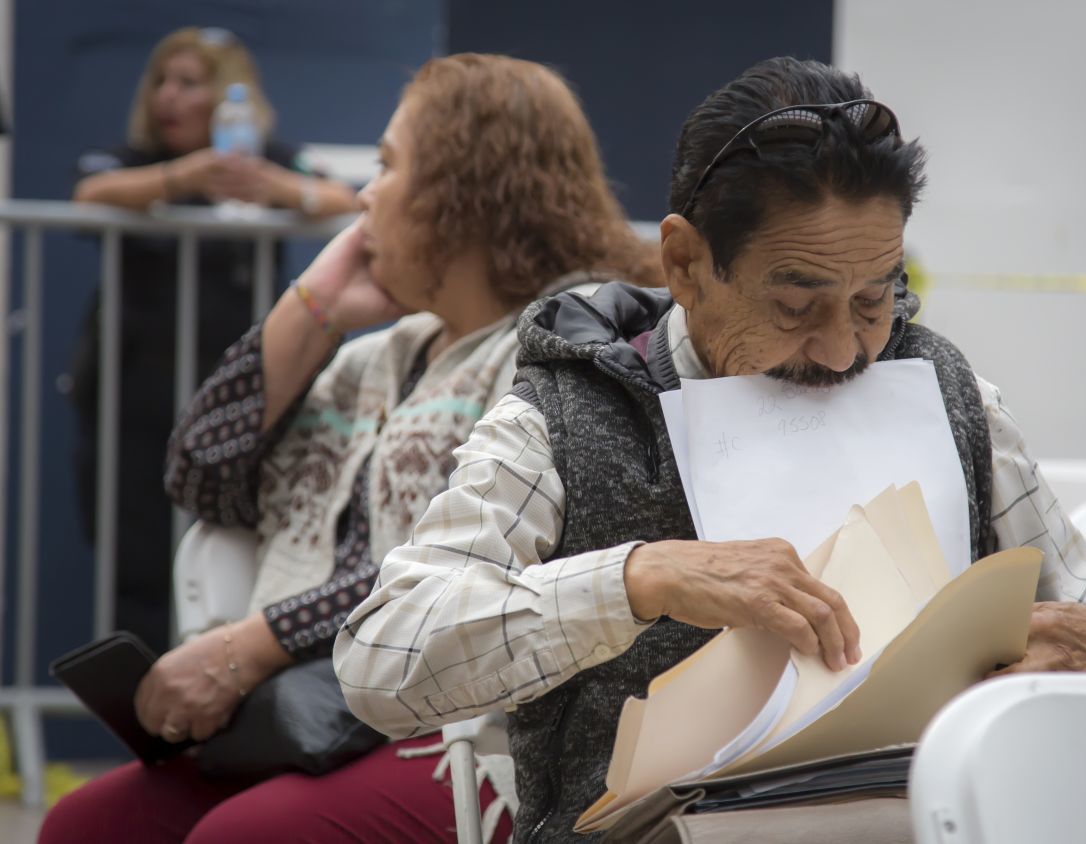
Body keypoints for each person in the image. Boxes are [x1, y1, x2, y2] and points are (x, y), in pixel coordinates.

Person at [334, 57, 1086, 842]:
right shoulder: (565, 414)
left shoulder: (946, 394)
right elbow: (382, 659)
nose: (845, 351)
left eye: (875, 299)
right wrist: (640, 579)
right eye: (795, 306)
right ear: (686, 263)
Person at [41, 52, 660, 844]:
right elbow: (201, 476)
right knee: (88, 824)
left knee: (239, 838)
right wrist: (314, 308)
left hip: (469, 731)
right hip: (317, 714)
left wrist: (250, 649)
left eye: (388, 166)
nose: (366, 194)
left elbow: (461, 567)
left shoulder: (557, 347)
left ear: (462, 193)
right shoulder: (386, 352)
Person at [69, 26, 357, 651]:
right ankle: (141, 715)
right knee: (133, 555)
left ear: (229, 96)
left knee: (229, 553)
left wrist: (275, 189)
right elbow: (90, 190)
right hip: (133, 393)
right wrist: (183, 179)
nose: (169, 96)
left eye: (189, 83)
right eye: (162, 82)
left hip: (236, 401)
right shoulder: (134, 158)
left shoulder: (269, 157)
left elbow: (341, 197)